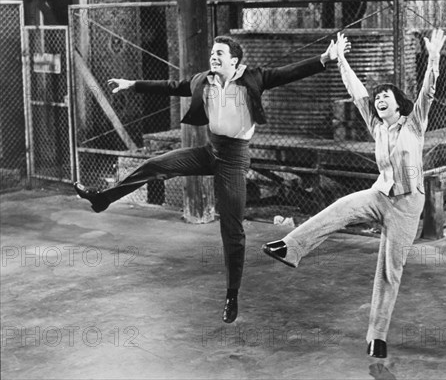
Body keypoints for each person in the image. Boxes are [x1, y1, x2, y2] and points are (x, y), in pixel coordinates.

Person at [74, 35, 347, 324]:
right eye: (212, 53)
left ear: (234, 60)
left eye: (220, 54)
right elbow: (173, 87)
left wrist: (324, 59)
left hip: (234, 159)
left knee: (232, 229)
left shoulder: (253, 78)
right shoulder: (205, 80)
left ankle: (232, 294)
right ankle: (103, 198)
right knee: (155, 164)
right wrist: (132, 84)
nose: (213, 57)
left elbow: (287, 73)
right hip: (209, 150)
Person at [262, 29, 446, 358]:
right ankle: (291, 248)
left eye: (385, 95)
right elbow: (357, 91)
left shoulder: (414, 123)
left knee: (390, 269)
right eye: (378, 97)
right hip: (379, 195)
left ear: (398, 102)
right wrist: (342, 59)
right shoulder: (376, 126)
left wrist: (433, 58)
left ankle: (377, 336)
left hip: (407, 205)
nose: (379, 99)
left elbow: (428, 92)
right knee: (340, 208)